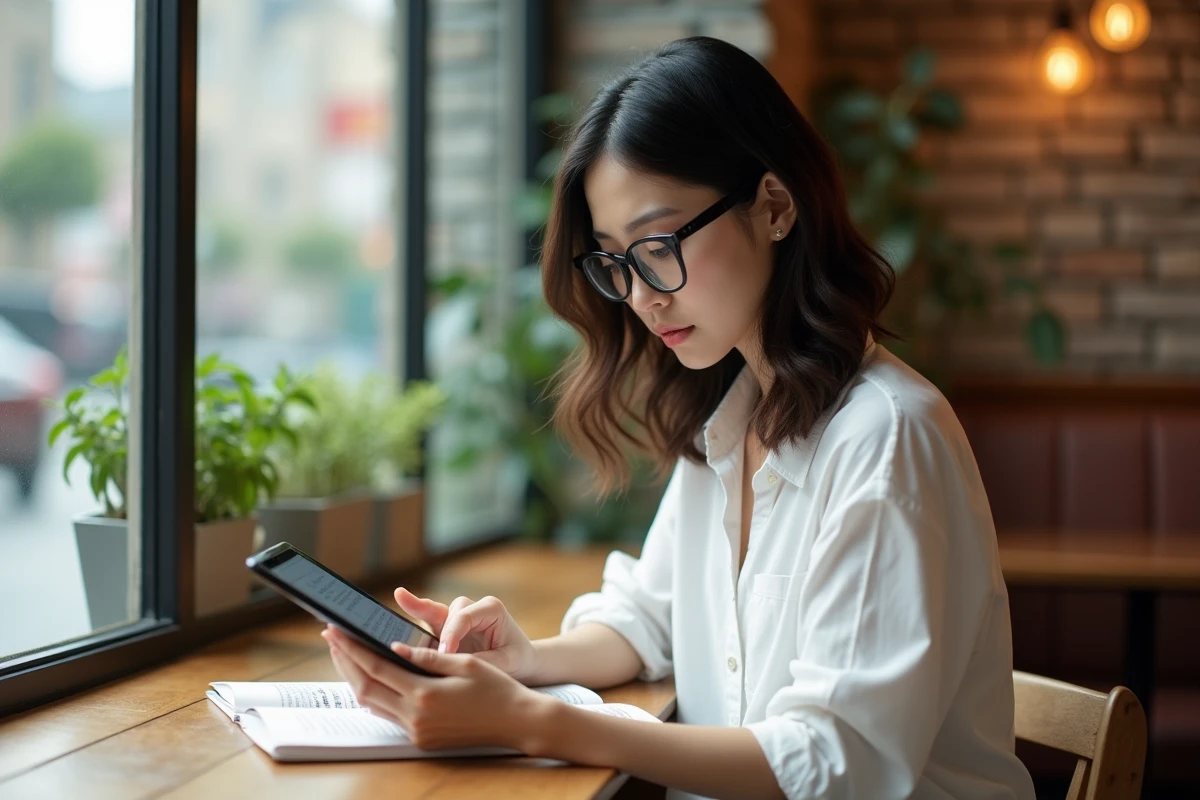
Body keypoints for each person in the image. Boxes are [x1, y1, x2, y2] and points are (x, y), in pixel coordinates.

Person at [321, 36, 1036, 800]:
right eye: (616, 261)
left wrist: (532, 722)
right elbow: (649, 619)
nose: (641, 295)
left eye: (658, 244)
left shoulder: (886, 438)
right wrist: (522, 663)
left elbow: (836, 761)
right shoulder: (732, 422)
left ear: (774, 206)